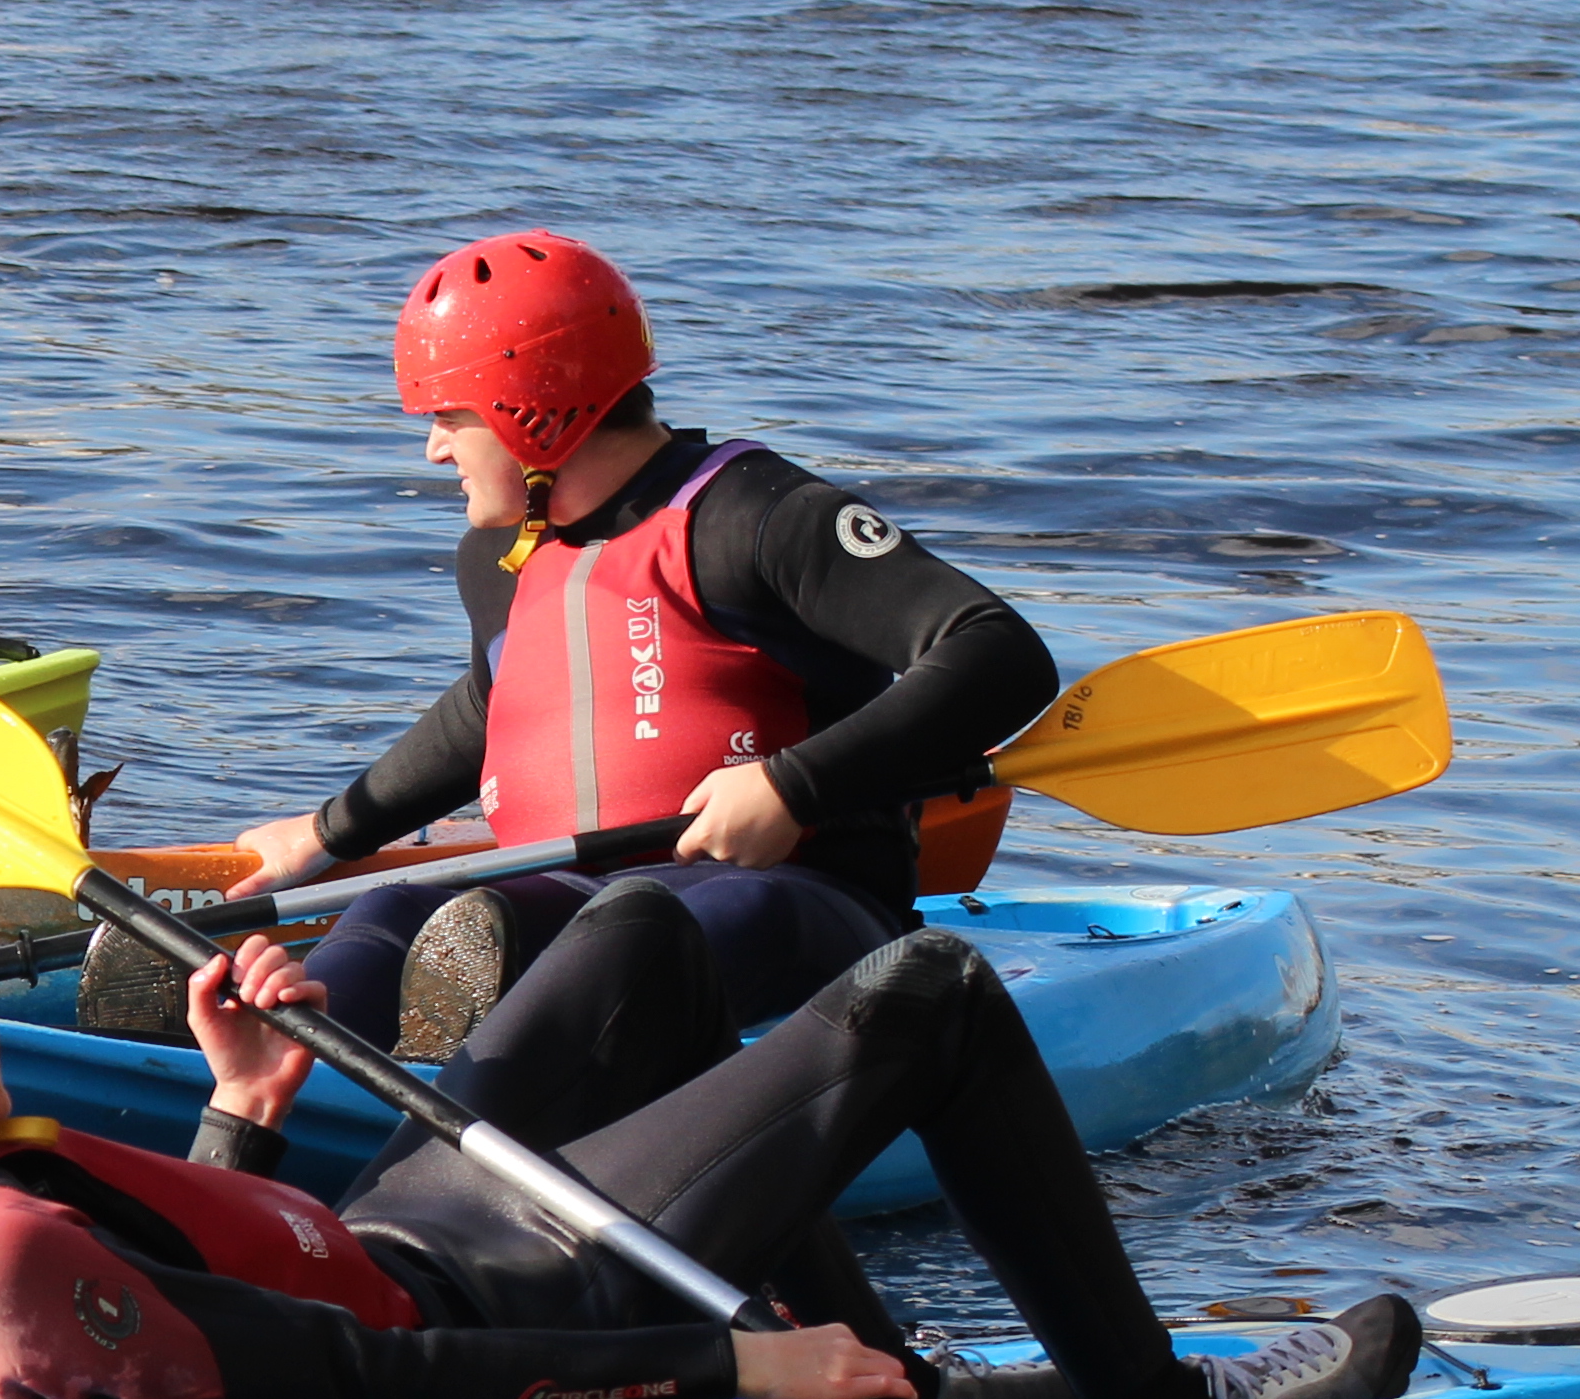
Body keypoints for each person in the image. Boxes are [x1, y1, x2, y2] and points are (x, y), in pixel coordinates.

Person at [0, 822, 1417, 1399]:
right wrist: (725, 1374)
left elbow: (176, 1338)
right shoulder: (3, 1258)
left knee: (644, 935)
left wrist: (237, 1114)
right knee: (929, 994)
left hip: (403, 1238)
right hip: (497, 1310)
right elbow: (365, 1390)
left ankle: (889, 1376)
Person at [179, 229, 1058, 1058]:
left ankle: (474, 1096)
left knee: (634, 928)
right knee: (394, 911)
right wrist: (328, 831)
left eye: (450, 416)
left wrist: (794, 786)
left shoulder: (756, 517)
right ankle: (274, 1062)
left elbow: (996, 652)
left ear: (533, 410)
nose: (433, 450)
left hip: (797, 901)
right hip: (579, 897)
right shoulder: (497, 555)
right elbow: (494, 705)